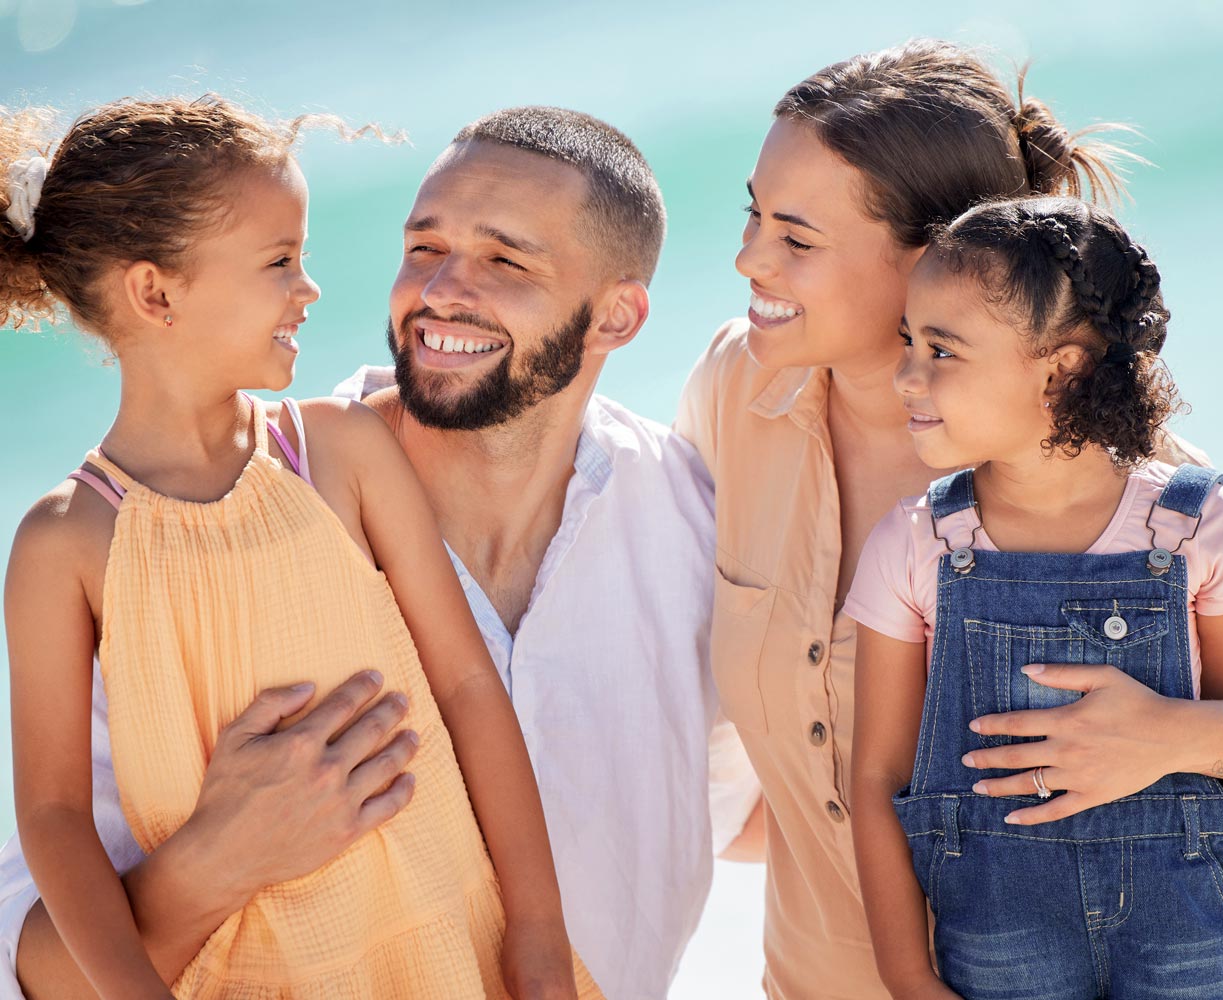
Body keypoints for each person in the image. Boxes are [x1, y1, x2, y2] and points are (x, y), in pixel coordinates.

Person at [0, 105, 760, 1000]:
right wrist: (214, 864)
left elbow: (762, 804)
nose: (438, 289)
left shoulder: (688, 522)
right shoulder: (80, 545)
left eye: (504, 260)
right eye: (423, 247)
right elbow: (39, 919)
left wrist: (541, 939)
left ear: (618, 316)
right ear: (156, 293)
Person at [675, 38, 1223, 999]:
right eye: (753, 214)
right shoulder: (733, 390)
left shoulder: (1149, 506)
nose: (749, 259)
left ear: (937, 258)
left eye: (796, 237)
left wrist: (1173, 738)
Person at [848, 195, 1223, 999]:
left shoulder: (1196, 529)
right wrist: (905, 976)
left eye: (941, 349)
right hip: (995, 953)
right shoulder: (916, 546)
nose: (905, 373)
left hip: (1199, 945)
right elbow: (875, 779)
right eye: (909, 341)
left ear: (1062, 366)